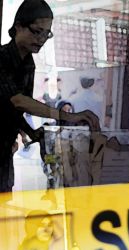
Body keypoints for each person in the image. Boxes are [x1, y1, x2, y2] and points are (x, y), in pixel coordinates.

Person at [0, 0, 100, 193]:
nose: (41, 39)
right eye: (37, 31)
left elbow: (14, 110)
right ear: (18, 27)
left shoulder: (28, 63)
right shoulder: (2, 58)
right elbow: (18, 101)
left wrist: (31, 132)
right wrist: (68, 116)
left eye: (47, 34)